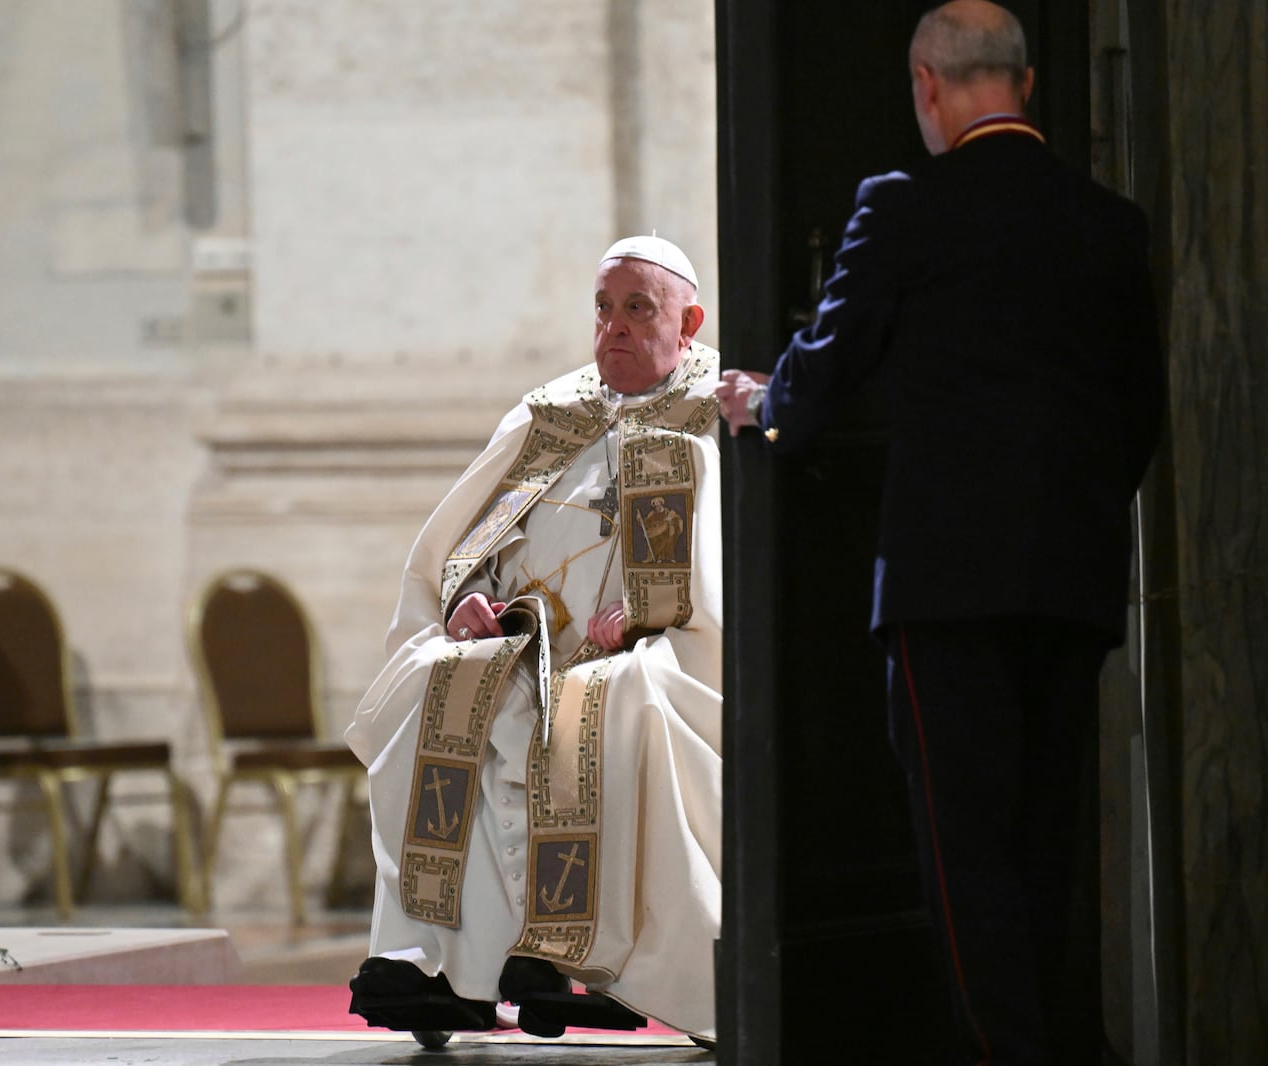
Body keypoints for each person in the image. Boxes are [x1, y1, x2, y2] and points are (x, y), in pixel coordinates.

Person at [717, 3, 1164, 1064]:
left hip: (943, 583)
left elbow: (823, 370)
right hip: (1072, 576)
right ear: (1026, 83)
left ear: (926, 84)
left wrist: (764, 404)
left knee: (963, 851)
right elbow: (1138, 410)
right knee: (1040, 839)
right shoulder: (1110, 221)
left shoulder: (904, 204)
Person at [347, 235, 723, 1043]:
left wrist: (661, 611)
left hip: (654, 649)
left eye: (637, 310)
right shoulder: (554, 412)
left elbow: (732, 564)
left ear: (687, 321)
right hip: (524, 646)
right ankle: (439, 969)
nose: (613, 328)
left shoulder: (713, 414)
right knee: (434, 683)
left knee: (616, 702)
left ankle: (584, 961)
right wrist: (469, 599)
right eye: (602, 308)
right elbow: (468, 540)